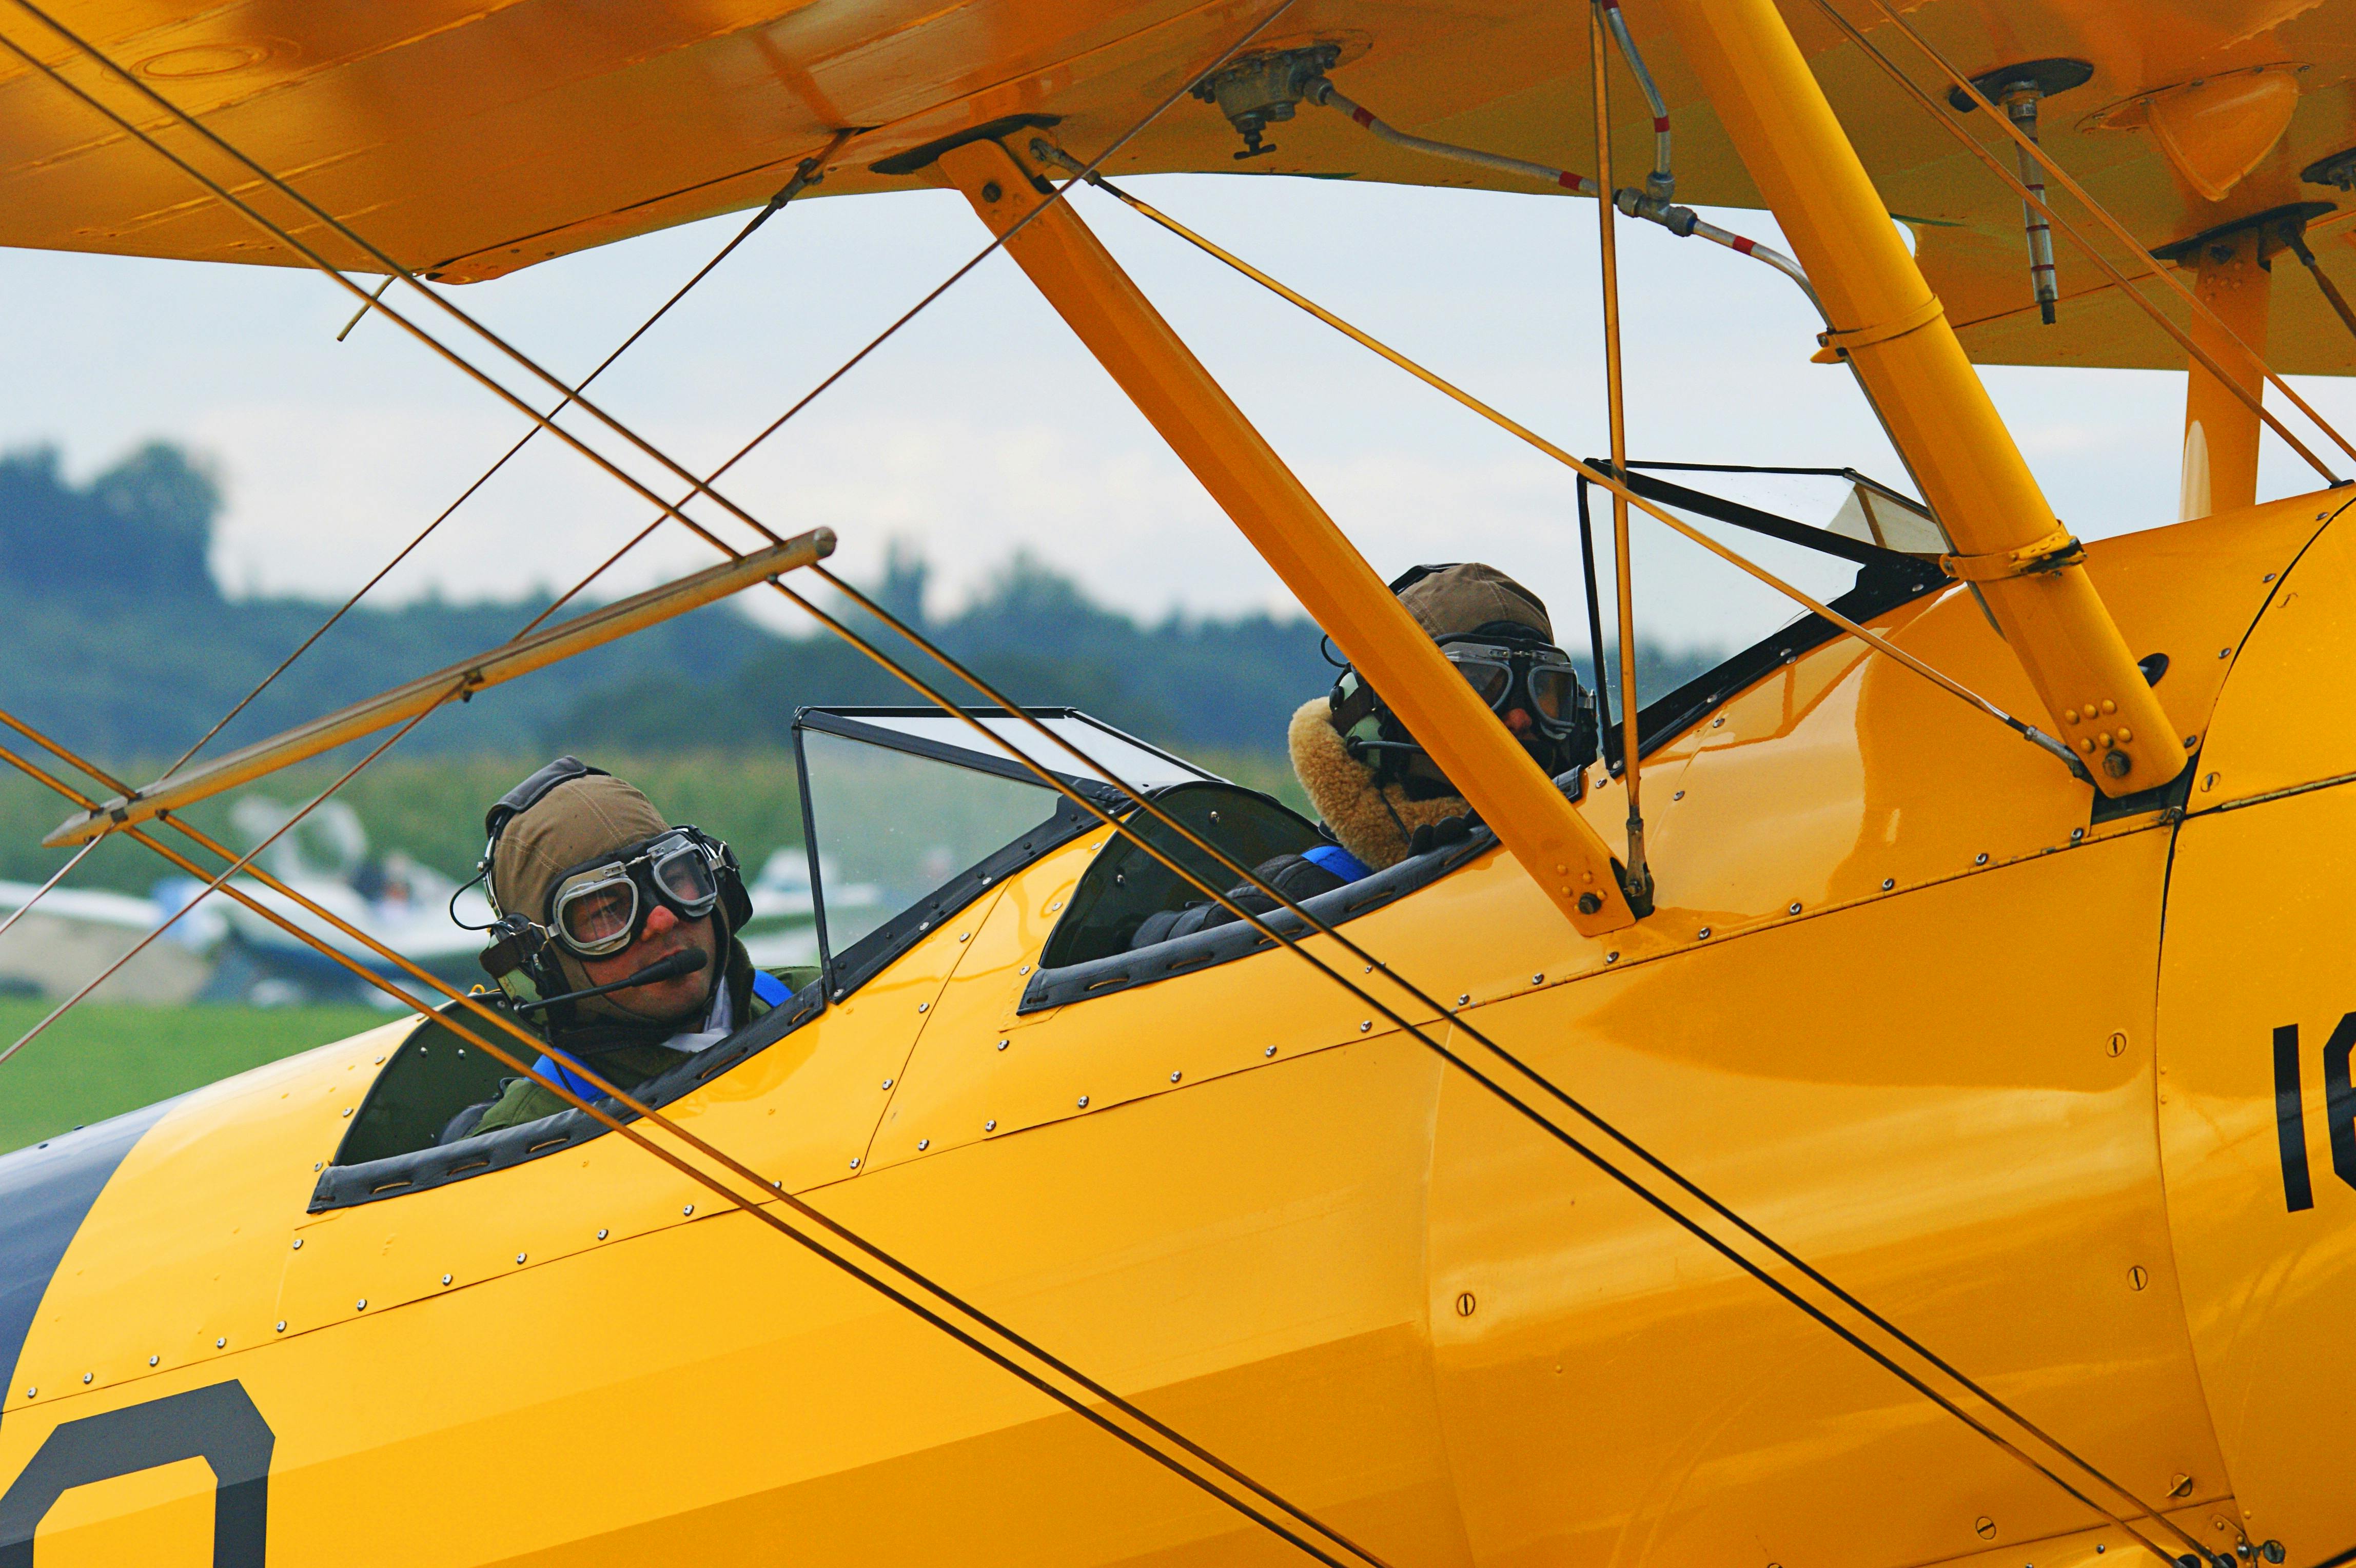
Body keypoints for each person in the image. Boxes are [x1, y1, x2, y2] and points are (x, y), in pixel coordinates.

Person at [1131, 563, 1595, 948]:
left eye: (1544, 692)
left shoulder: (1595, 873)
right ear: (1382, 712)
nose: (1519, 718)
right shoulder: (1300, 899)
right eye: (1478, 686)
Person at [456, 759, 810, 1140]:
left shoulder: (833, 999)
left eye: (674, 877)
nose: (662, 920)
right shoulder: (519, 1143)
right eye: (608, 910)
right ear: (544, 964)